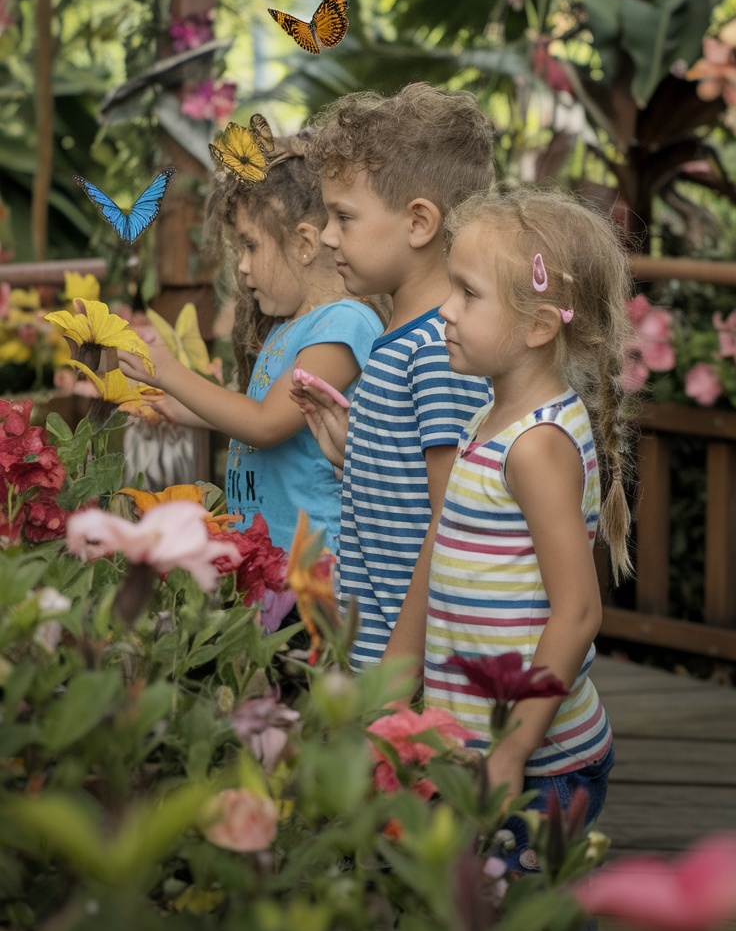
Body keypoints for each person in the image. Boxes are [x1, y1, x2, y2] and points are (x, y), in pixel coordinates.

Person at [390, 183, 633, 872]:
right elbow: (439, 549)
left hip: (540, 766)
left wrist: (512, 752)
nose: (445, 309)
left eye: (467, 293)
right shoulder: (488, 420)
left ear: (537, 327)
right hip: (476, 752)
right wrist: (392, 684)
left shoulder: (536, 446)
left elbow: (578, 612)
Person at [295, 83, 495, 667]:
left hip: (407, 667)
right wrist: (353, 451)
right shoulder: (400, 340)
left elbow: (448, 523)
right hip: (377, 650)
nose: (328, 236)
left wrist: (398, 671)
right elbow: (406, 491)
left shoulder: (439, 351)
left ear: (418, 223)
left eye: (344, 217)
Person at [118, 129, 383, 554]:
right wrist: (169, 403)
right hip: (268, 562)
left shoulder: (343, 325)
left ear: (304, 244)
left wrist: (171, 371)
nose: (241, 267)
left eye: (249, 245)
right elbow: (249, 416)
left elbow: (265, 424)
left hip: (312, 568)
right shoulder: (289, 327)